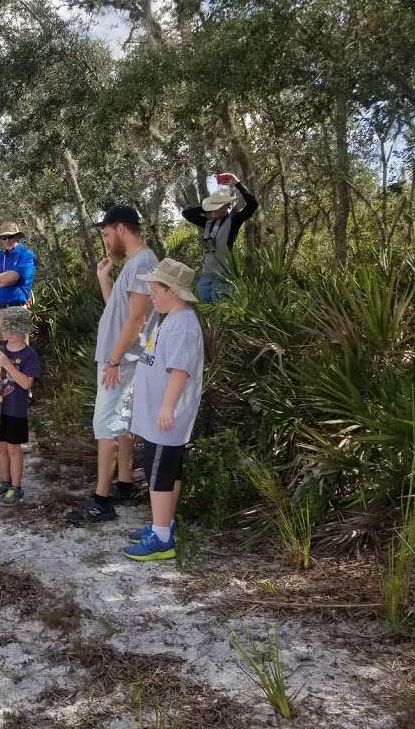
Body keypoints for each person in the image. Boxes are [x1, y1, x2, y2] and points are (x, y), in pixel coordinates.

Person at [66, 204, 158, 525]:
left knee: (104, 427)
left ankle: (101, 501)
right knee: (118, 425)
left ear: (121, 228)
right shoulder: (133, 265)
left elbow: (137, 319)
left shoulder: (144, 263)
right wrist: (104, 280)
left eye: (106, 234)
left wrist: (115, 359)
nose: (106, 241)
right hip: (118, 360)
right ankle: (125, 484)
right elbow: (118, 313)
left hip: (122, 362)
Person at [123, 258, 204, 561]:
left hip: (165, 418)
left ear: (172, 291)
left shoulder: (183, 324)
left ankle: (161, 539)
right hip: (159, 415)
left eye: (155, 289)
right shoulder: (171, 317)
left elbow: (180, 370)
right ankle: (164, 524)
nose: (151, 294)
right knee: (170, 472)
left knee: (158, 475)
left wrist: (167, 407)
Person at [0, 306, 39, 507]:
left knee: (13, 448)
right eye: (8, 329)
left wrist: (8, 366)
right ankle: (4, 482)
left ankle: (16, 485)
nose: (11, 334)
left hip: (15, 410)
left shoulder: (29, 355)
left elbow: (26, 383)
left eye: (16, 329)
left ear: (25, 330)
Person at [181, 172, 258, 303]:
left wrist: (237, 183)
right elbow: (186, 213)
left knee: (221, 311)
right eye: (213, 207)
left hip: (223, 276)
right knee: (207, 311)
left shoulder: (233, 221)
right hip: (206, 275)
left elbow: (252, 204)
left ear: (227, 206)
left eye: (218, 207)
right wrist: (206, 208)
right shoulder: (207, 223)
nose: (214, 210)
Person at [0, 221, 37, 310]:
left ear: (17, 237)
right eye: (4, 238)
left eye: (10, 237)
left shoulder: (26, 255)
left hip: (17, 308)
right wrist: (5, 281)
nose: (7, 241)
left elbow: (13, 277)